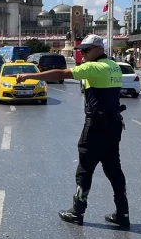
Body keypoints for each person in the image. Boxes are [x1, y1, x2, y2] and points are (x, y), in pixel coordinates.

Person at [15, 34, 129, 227]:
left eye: (86, 50)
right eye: (81, 51)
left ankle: (77, 211)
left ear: (98, 49)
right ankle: (123, 213)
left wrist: (29, 76)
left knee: (85, 167)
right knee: (113, 168)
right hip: (114, 124)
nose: (82, 54)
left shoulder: (94, 67)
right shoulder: (113, 66)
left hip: (96, 125)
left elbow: (61, 74)